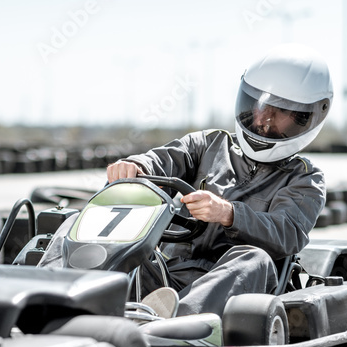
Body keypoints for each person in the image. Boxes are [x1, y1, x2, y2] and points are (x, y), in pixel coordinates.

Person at [105, 43, 333, 318]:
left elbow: (287, 233)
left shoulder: (305, 178)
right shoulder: (209, 144)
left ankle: (178, 327)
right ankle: (61, 299)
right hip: (170, 274)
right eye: (259, 106)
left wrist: (228, 213)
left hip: (237, 286)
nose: (264, 120)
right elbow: (164, 160)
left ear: (307, 116)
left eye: (279, 112)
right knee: (107, 234)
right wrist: (135, 166)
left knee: (254, 258)